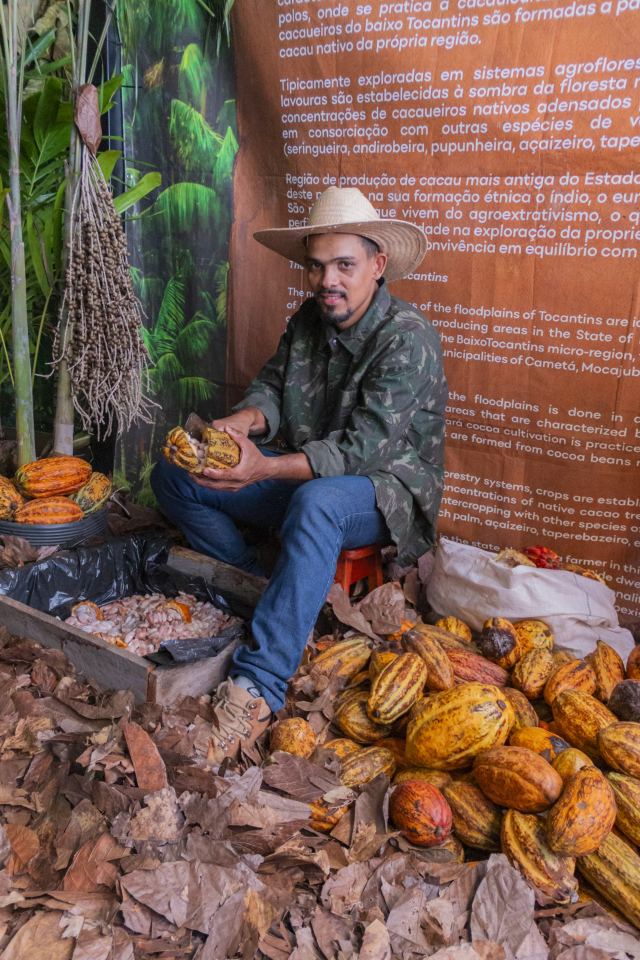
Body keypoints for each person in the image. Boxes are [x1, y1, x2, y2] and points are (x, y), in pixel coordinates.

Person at [151, 186, 448, 763]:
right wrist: (239, 425)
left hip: (379, 492)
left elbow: (359, 451)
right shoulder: (309, 319)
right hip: (305, 472)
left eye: (344, 265)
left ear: (378, 265)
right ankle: (253, 586)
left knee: (317, 503)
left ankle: (257, 686)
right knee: (175, 474)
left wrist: (261, 467)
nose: (327, 280)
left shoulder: (408, 339)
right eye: (317, 266)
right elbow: (271, 390)